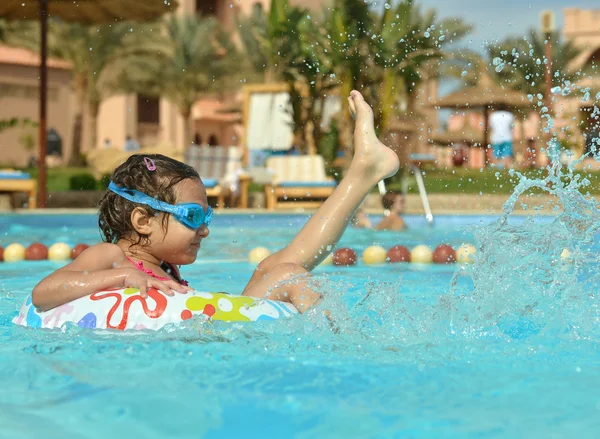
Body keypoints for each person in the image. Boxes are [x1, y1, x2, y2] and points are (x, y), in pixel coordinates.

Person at [31, 91, 400, 314]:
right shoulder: (113, 258)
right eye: (192, 216)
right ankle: (338, 347)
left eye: (205, 215)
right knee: (284, 273)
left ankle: (361, 173)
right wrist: (121, 277)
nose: (204, 229)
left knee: (276, 267)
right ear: (142, 220)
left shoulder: (162, 265)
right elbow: (43, 292)